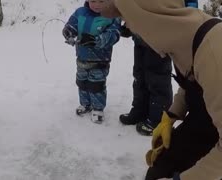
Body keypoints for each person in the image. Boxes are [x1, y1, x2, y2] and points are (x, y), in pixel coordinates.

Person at [101, 0, 222, 179]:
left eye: (129, 19)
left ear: (150, 18)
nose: (128, 27)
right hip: (208, 117)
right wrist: (172, 115)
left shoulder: (214, 54)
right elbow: (196, 79)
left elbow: (211, 72)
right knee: (161, 167)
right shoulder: (185, 32)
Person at [62, 0, 121, 124]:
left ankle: (98, 108)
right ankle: (85, 104)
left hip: (100, 59)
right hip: (82, 56)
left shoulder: (111, 15)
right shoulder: (80, 12)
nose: (97, 5)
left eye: (101, 1)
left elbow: (114, 34)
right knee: (82, 81)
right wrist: (68, 31)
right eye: (93, 1)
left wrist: (96, 40)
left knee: (96, 84)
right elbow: (72, 24)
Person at [119, 24, 173, 136]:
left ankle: (158, 119)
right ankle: (140, 110)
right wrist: (130, 25)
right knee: (140, 78)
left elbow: (185, 9)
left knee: (158, 81)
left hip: (159, 41)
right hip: (140, 38)